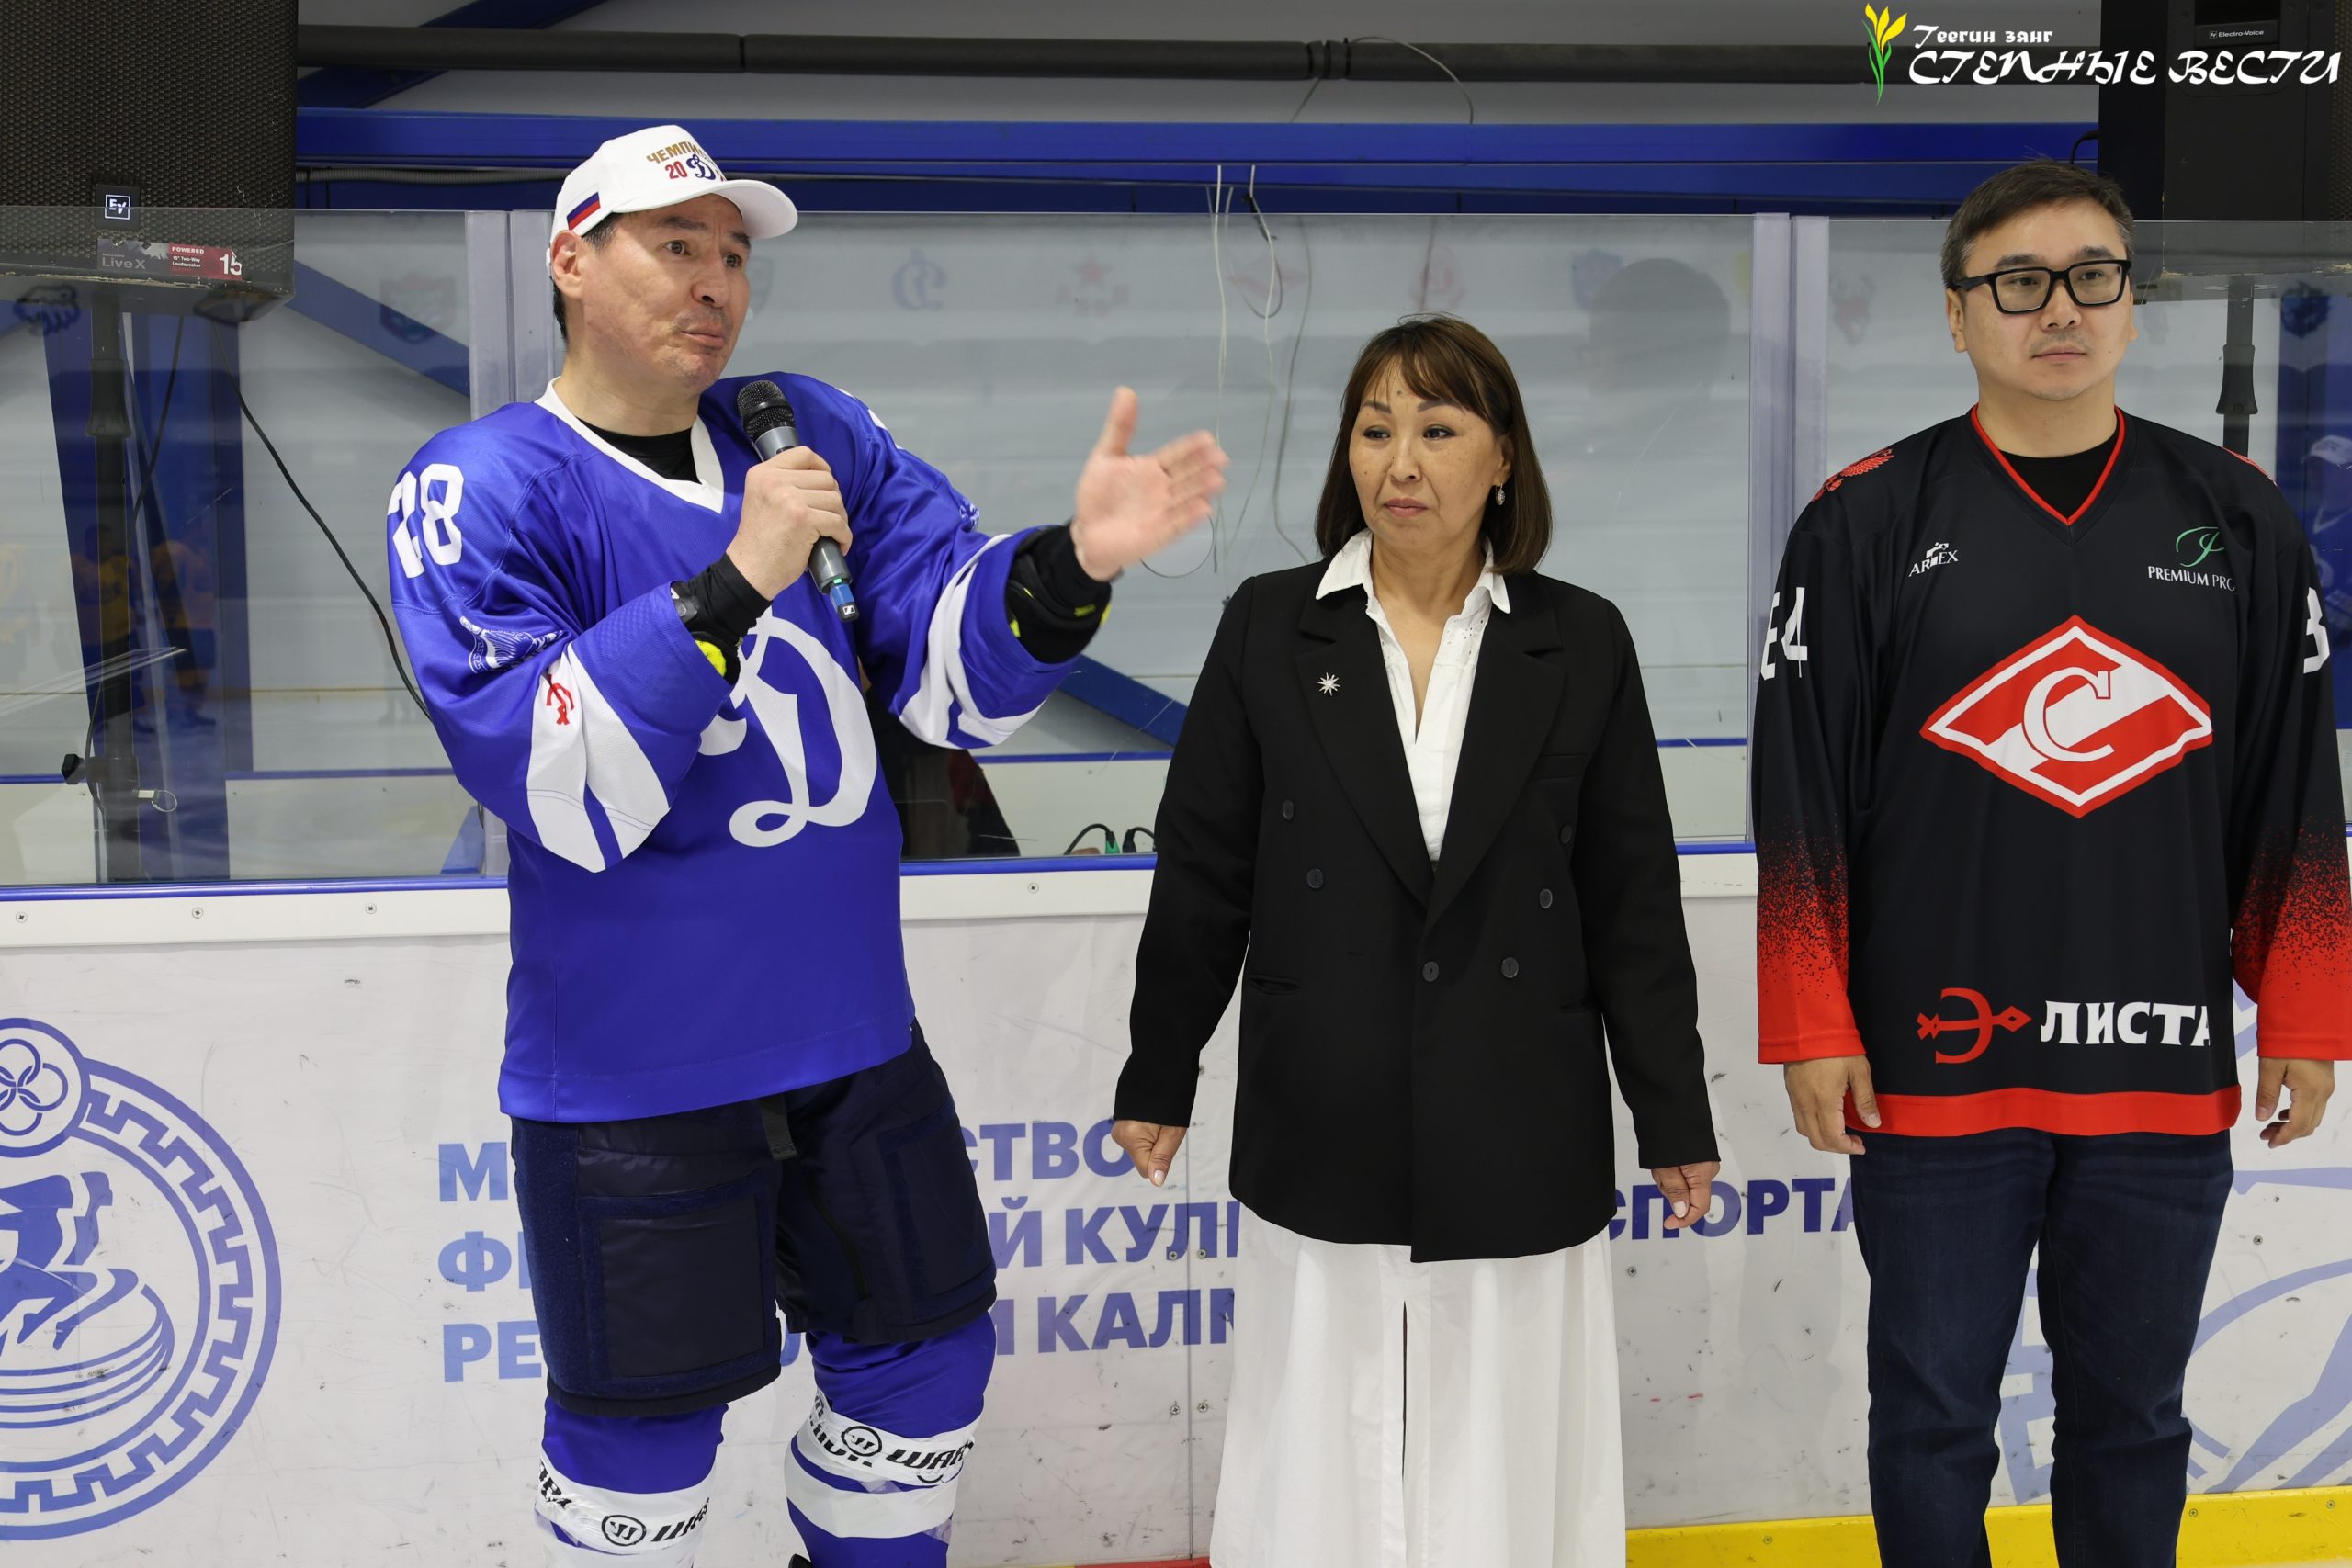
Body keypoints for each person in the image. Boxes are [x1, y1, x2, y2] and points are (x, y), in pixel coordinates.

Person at [383, 124, 1225, 1568]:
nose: (714, 282)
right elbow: (556, 783)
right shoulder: (484, 483)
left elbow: (947, 679)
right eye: (676, 246)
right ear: (571, 261)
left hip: (853, 1043)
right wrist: (735, 581)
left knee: (926, 1373)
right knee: (642, 1452)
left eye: (732, 254)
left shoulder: (802, 430)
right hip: (633, 1077)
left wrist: (1068, 569)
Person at [1753, 158, 2349, 1568]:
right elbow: (1803, 793)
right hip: (1934, 1063)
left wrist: (2307, 1010)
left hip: (2157, 1060)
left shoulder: (2239, 516)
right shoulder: (1863, 518)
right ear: (1958, 315)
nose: (2060, 309)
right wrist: (1813, 1020)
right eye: (2019, 283)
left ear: (2133, 305)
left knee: (2133, 1420)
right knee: (1932, 1420)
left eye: (2093, 277)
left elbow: (2292, 782)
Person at [1112, 313, 1720, 1568]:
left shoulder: (1580, 639)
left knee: (1506, 1427)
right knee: (1319, 1421)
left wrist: (1671, 1110)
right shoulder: (1270, 625)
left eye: (1439, 430)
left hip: (1518, 1095)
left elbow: (1630, 898)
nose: (1401, 462)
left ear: (1503, 459)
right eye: (1375, 428)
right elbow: (1205, 872)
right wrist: (1159, 1071)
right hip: (1324, 1090)